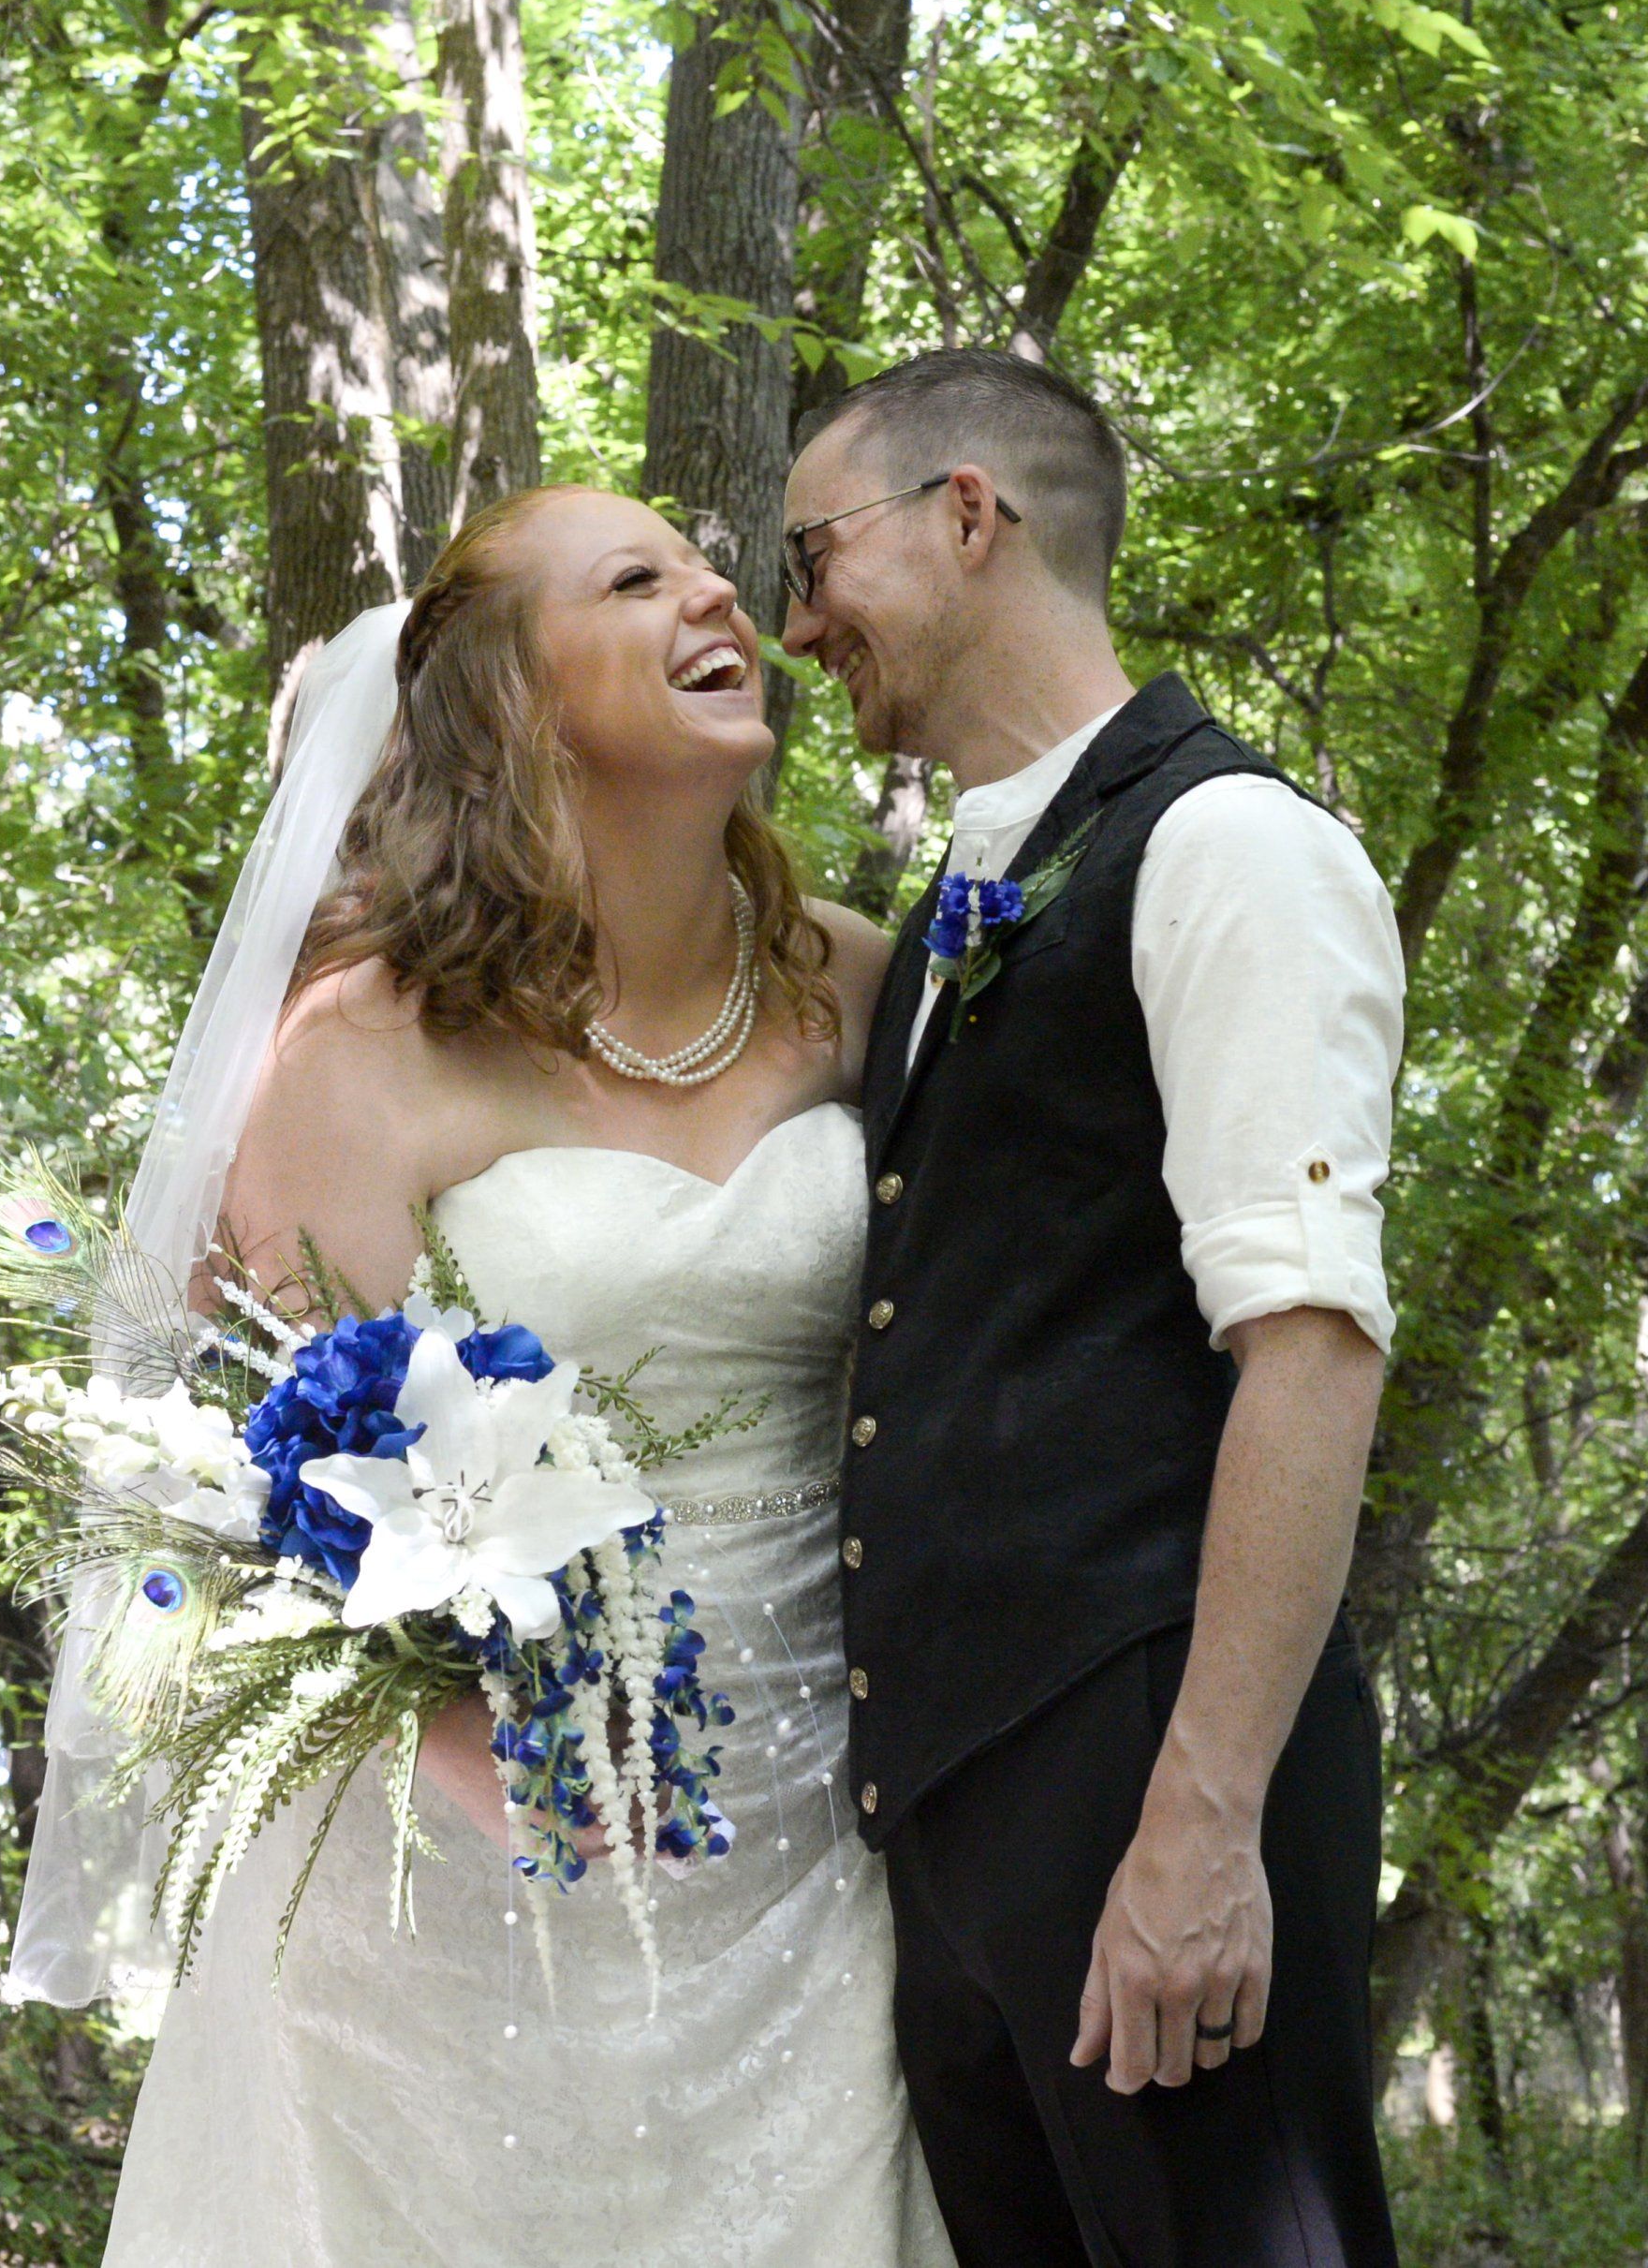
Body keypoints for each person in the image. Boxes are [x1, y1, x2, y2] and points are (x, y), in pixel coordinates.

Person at [73, 488, 952, 2267]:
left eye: (711, 566)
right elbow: (294, 1485)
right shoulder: (361, 1050)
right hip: (461, 1856)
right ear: (511, 707)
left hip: (819, 1819)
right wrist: (503, 1742)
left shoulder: (862, 988)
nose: (718, 589)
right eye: (638, 581)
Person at [780, 346, 1405, 2268]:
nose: (803, 627)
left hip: (1153, 1771)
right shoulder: (988, 877)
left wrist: (1202, 1824)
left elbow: (1307, 1346)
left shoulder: (1229, 850)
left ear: (968, 516)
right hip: (975, 1817)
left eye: (815, 560)